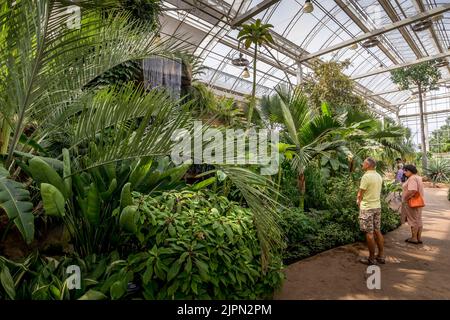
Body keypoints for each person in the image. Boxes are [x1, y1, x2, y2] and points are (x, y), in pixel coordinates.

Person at [356, 157, 385, 265]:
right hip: (377, 206)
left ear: (368, 165)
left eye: (364, 163)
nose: (362, 164)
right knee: (377, 230)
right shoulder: (378, 176)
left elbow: (360, 193)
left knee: (369, 233)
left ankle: (371, 258)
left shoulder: (366, 176)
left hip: (367, 208)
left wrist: (358, 201)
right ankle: (381, 256)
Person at [401, 164, 425, 244]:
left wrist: (405, 198)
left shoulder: (412, 178)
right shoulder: (418, 177)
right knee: (418, 219)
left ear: (409, 171)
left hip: (412, 202)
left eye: (405, 171)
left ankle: (414, 238)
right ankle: (418, 238)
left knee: (413, 220)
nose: (404, 172)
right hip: (419, 201)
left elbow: (412, 190)